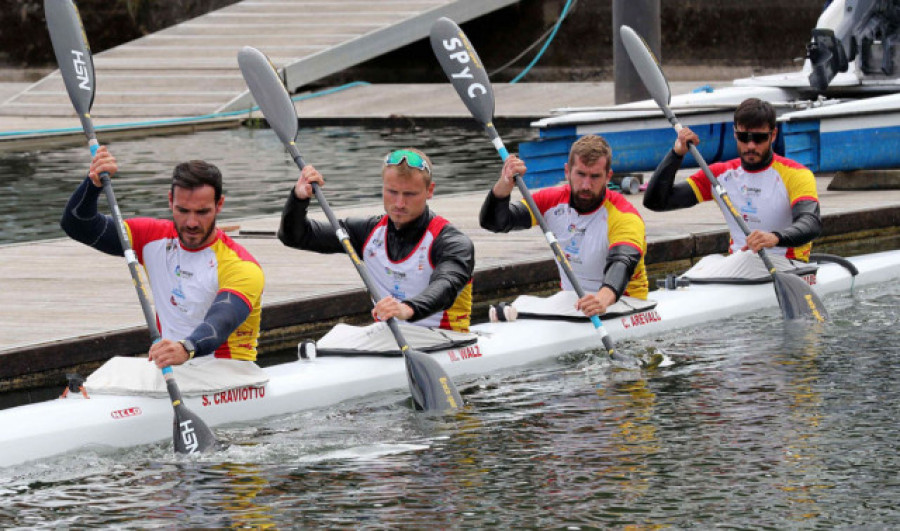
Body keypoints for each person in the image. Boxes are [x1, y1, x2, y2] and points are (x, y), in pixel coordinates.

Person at [60, 146, 265, 368]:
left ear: (219, 205)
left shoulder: (241, 266)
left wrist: (186, 348)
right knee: (108, 371)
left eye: (202, 212)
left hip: (227, 372)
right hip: (171, 367)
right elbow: (77, 225)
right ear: (170, 201)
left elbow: (220, 322)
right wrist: (93, 185)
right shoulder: (150, 237)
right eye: (183, 210)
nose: (192, 223)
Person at [278, 148, 474, 332]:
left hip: (445, 337)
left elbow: (447, 285)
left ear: (429, 191)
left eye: (410, 194)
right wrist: (298, 198)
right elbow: (296, 236)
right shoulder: (367, 232)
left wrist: (407, 309)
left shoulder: (452, 243)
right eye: (392, 192)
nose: (399, 203)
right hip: (388, 336)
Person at [479, 134, 648, 317]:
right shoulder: (550, 201)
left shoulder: (624, 216)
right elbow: (495, 222)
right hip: (570, 303)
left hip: (622, 302)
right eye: (580, 174)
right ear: (567, 172)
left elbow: (622, 263)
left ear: (608, 177)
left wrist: (603, 297)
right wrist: (504, 185)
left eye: (595, 177)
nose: (586, 185)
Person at [643, 98, 822, 265]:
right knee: (707, 262)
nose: (751, 146)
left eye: (759, 138)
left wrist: (775, 238)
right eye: (744, 137)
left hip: (787, 266)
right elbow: (656, 202)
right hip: (739, 264)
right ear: (735, 134)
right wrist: (676, 154)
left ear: (773, 135)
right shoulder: (718, 175)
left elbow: (810, 223)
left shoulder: (797, 174)